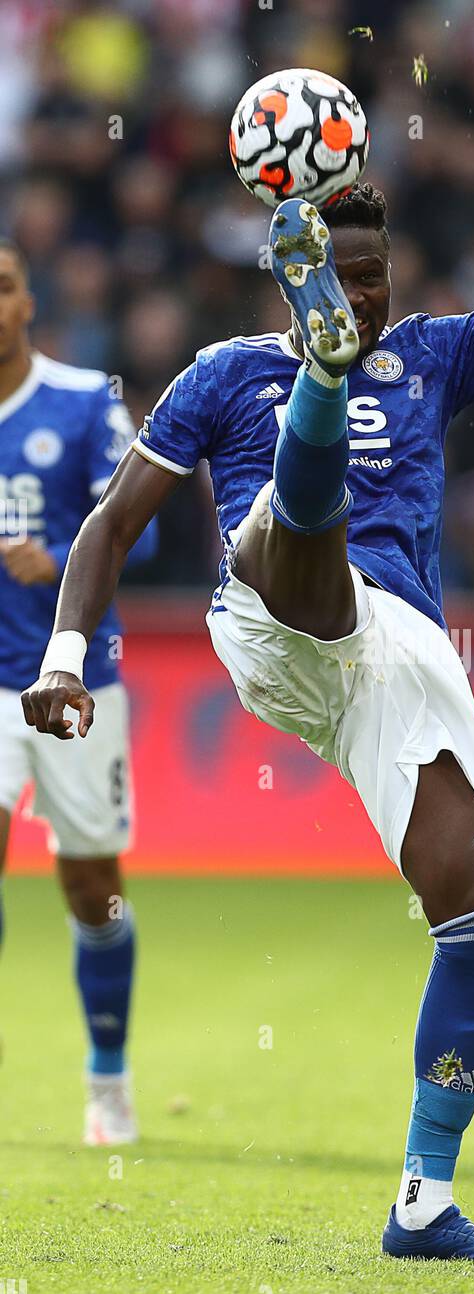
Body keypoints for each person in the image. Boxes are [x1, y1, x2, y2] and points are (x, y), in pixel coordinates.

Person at [22, 120, 474, 1258]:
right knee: (295, 528)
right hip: (273, 613)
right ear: (300, 280)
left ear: (385, 275)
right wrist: (66, 659)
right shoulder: (221, 374)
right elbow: (109, 525)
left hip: (397, 652)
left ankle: (421, 1201)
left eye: (369, 280)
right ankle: (314, 407)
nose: (366, 297)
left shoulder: (435, 353)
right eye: (341, 281)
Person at [0, 240, 157, 1142]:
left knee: (92, 886)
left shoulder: (83, 399)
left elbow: (133, 526)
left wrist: (56, 560)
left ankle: (107, 1076)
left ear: (29, 303)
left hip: (71, 681)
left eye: (6, 287)